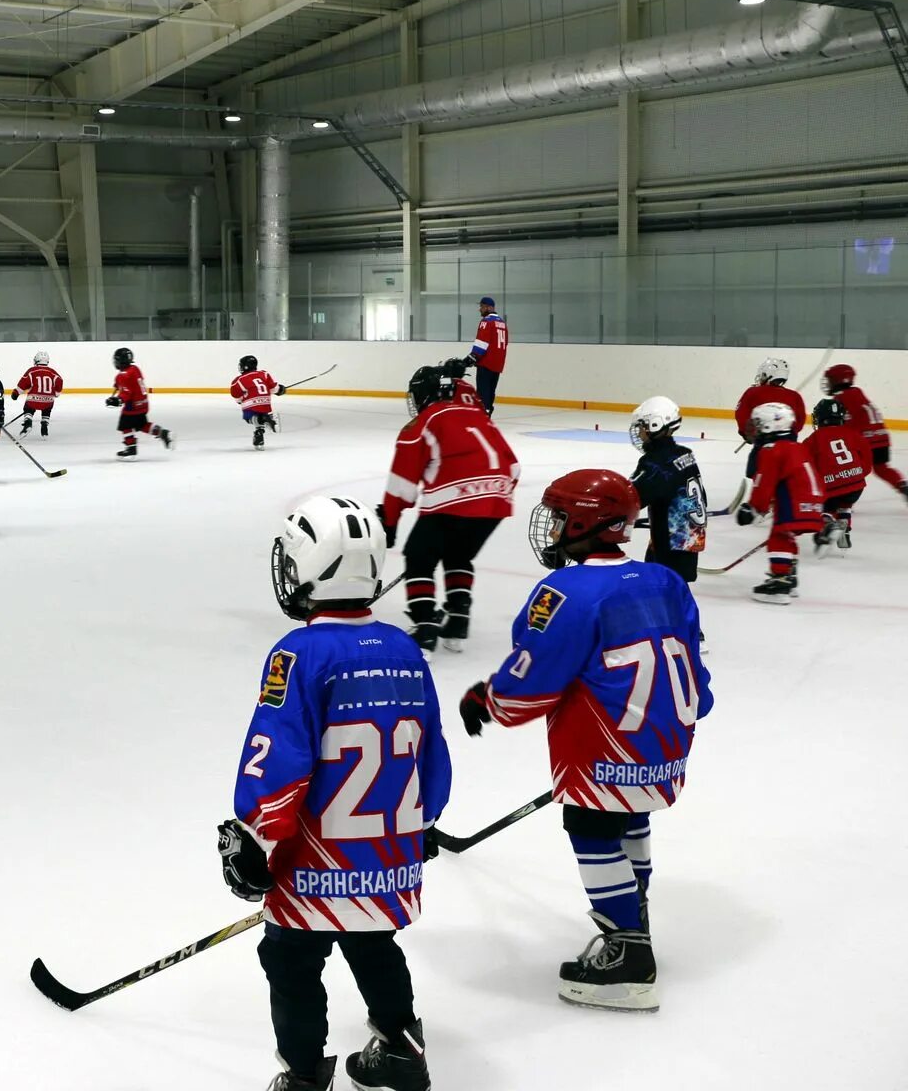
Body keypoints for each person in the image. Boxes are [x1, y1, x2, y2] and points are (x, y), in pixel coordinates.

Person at [459, 469, 712, 1014]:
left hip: (603, 746)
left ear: (582, 522)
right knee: (631, 821)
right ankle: (633, 915)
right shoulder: (666, 580)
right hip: (664, 740)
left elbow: (534, 680)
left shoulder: (564, 592)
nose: (550, 527)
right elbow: (694, 661)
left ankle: (627, 954)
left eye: (557, 516)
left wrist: (489, 699)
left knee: (593, 831)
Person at [221, 494, 449, 1091]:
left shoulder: (298, 653)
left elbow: (277, 758)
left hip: (315, 860)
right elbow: (432, 752)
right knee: (374, 944)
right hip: (387, 855)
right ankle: (402, 1052)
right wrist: (422, 822)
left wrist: (248, 833)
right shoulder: (405, 649)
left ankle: (301, 1076)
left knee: (291, 960)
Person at [380, 365, 519, 653]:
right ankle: (457, 620)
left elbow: (402, 483)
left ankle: (425, 628)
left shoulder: (424, 422)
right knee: (458, 555)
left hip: (453, 499)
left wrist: (390, 521)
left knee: (419, 557)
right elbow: (514, 468)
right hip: (498, 499)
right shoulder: (479, 417)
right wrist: (488, 494)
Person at [737, 402, 825, 603]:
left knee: (779, 536)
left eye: (758, 423)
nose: (755, 428)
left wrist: (753, 509)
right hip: (815, 502)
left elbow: (764, 483)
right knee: (787, 536)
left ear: (771, 425)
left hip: (795, 501)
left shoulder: (771, 449)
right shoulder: (796, 447)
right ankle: (789, 573)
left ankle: (780, 582)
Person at [627, 396, 705, 587]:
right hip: (688, 535)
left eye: (642, 426)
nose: (639, 431)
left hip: (670, 541)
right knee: (676, 586)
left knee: (664, 588)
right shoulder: (684, 453)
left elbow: (632, 497)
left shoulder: (656, 462)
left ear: (655, 425)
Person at [823, 363, 905, 503]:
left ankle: (842, 498)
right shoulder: (857, 393)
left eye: (830, 380)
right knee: (881, 468)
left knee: (846, 469)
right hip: (882, 437)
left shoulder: (841, 398)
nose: (828, 383)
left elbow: (845, 424)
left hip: (865, 441)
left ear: (838, 380)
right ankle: (903, 485)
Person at [804, 397, 870, 554]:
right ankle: (844, 529)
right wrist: (857, 475)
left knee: (825, 507)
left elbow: (804, 463)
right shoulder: (853, 434)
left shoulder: (814, 439)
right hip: (856, 486)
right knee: (845, 504)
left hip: (831, 486)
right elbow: (866, 459)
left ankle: (827, 525)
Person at [733, 357, 805, 474]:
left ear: (769, 374)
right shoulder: (795, 396)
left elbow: (741, 414)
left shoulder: (753, 392)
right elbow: (799, 423)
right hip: (790, 447)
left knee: (758, 474)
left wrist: (746, 434)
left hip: (763, 447)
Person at [106, 346, 172, 458]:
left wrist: (118, 400)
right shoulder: (135, 369)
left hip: (133, 406)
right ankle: (162, 433)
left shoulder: (123, 376)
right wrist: (119, 384)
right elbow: (132, 383)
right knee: (142, 424)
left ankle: (131, 448)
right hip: (143, 403)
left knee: (124, 425)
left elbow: (127, 392)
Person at [231, 354, 285, 450]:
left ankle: (265, 418)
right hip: (266, 403)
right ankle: (259, 436)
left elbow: (236, 396)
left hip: (251, 404)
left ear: (245, 366)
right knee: (260, 416)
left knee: (249, 418)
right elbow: (273, 388)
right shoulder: (264, 374)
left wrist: (240, 401)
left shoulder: (238, 380)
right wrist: (281, 389)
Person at [467, 297, 508, 415]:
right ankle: (488, 412)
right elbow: (505, 344)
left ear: (490, 308)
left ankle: (483, 418)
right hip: (497, 365)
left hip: (486, 364)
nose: (480, 309)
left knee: (482, 394)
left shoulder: (486, 321)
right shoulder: (502, 323)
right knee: (490, 393)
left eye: (482, 306)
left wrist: (472, 357)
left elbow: (482, 343)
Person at [11, 351, 63, 437]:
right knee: (47, 408)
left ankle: (28, 422)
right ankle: (44, 426)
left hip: (33, 399)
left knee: (28, 408)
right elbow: (60, 381)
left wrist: (16, 393)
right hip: (48, 400)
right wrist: (56, 393)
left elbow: (23, 384)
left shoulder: (32, 371)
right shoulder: (53, 372)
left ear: (36, 360)